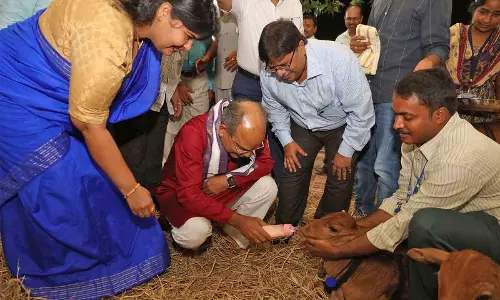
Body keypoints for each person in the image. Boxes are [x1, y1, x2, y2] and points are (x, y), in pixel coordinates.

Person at [0, 0, 217, 299]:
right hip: (14, 92)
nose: (187, 47)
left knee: (95, 179)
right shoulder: (106, 36)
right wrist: (131, 190)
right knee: (59, 185)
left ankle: (107, 261)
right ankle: (65, 275)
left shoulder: (138, 23)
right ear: (165, 12)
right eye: (188, 36)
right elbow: (90, 125)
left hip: (58, 102)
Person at [303, 68, 500, 300]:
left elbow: (405, 222)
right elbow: (403, 196)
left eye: (407, 117)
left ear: (439, 115)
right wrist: (356, 228)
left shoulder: (458, 161)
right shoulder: (417, 137)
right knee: (419, 222)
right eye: (396, 114)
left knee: (425, 225)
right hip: (467, 220)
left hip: (493, 229)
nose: (397, 124)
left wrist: (338, 249)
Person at [259, 20, 375, 226]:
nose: (280, 74)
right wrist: (286, 141)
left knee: (340, 176)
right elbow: (274, 109)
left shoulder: (339, 59)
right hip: (302, 123)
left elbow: (362, 112)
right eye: (273, 67)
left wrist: (346, 150)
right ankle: (286, 228)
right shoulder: (269, 74)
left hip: (342, 124)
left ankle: (325, 229)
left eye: (285, 65)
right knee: (292, 171)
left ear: (301, 46)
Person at [351, 0, 452, 217]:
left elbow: (439, 47)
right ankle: (361, 219)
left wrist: (425, 67)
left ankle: (385, 227)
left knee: (386, 166)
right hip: (368, 89)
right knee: (363, 163)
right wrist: (359, 46)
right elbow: (372, 43)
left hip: (400, 94)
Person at [156, 100, 277, 252]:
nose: (248, 154)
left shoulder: (250, 133)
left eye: (254, 148)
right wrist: (238, 220)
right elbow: (188, 194)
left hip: (219, 189)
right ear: (222, 130)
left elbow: (265, 162)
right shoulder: (193, 133)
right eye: (242, 148)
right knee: (196, 233)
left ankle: (233, 236)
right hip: (181, 195)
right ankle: (180, 223)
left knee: (268, 186)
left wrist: (229, 180)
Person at [218, 0, 304, 185]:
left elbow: (299, 42)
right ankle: (240, 189)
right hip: (250, 82)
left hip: (283, 82)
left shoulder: (295, 3)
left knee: (281, 139)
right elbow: (223, 3)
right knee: (242, 137)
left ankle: (281, 193)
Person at [162, 38, 218, 160]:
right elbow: (164, 57)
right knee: (171, 133)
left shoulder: (207, 25)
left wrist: (211, 84)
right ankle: (167, 173)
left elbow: (215, 44)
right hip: (173, 80)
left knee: (197, 132)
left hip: (199, 81)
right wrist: (177, 85)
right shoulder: (175, 25)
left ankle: (191, 170)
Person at [446, 0, 500, 101]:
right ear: (473, 8)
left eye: (497, 14)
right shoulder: (454, 33)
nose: (487, 20)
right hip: (449, 108)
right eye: (483, 12)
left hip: (487, 111)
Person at [214, 10, 238, 102]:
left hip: (236, 77)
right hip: (220, 77)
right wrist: (208, 56)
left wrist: (240, 56)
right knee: (220, 113)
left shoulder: (242, 17)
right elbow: (216, 42)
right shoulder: (218, 20)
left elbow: (252, 41)